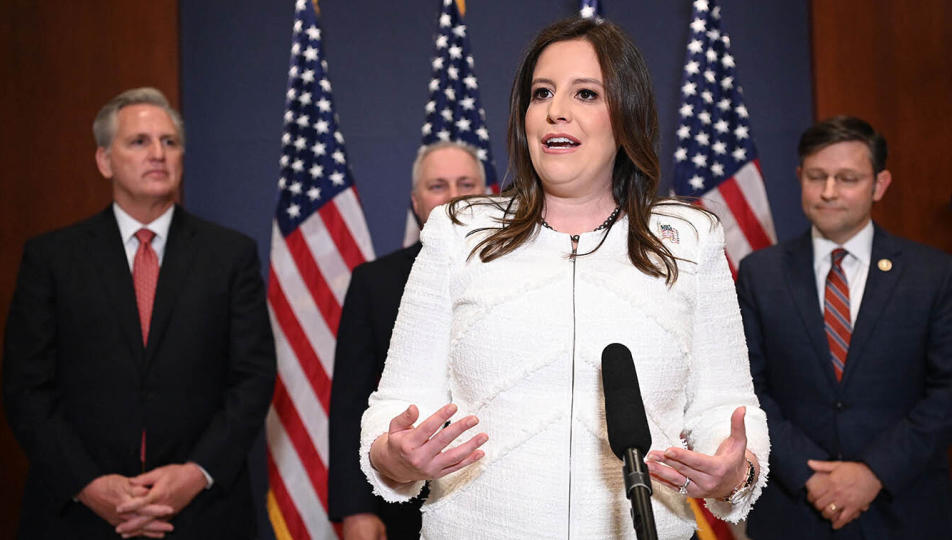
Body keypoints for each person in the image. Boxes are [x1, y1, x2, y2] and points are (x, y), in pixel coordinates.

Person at [357, 18, 769, 539]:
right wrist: (396, 457)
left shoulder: (688, 239)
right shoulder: (459, 232)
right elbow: (395, 405)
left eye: (586, 93)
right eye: (542, 93)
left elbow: (725, 407)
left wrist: (736, 474)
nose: (556, 110)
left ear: (626, 115)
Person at [3, 87, 276, 539]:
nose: (158, 154)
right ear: (104, 161)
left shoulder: (230, 255)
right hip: (78, 516)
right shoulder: (52, 258)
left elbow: (253, 378)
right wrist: (89, 486)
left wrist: (194, 474)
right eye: (139, 142)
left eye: (169, 142)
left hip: (203, 514)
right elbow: (26, 387)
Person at [739, 116, 952, 539]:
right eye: (817, 177)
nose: (829, 191)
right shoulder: (760, 273)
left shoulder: (933, 274)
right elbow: (748, 386)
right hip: (792, 511)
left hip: (904, 511)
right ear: (800, 177)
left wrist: (875, 472)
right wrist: (809, 475)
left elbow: (946, 389)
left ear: (880, 184)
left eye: (848, 178)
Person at [328, 141, 487, 539]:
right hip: (399, 502)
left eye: (466, 184)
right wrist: (355, 508)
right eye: (438, 186)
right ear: (416, 202)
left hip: (494, 494)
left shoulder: (521, 278)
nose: (453, 197)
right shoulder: (373, 283)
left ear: (489, 197)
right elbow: (351, 403)